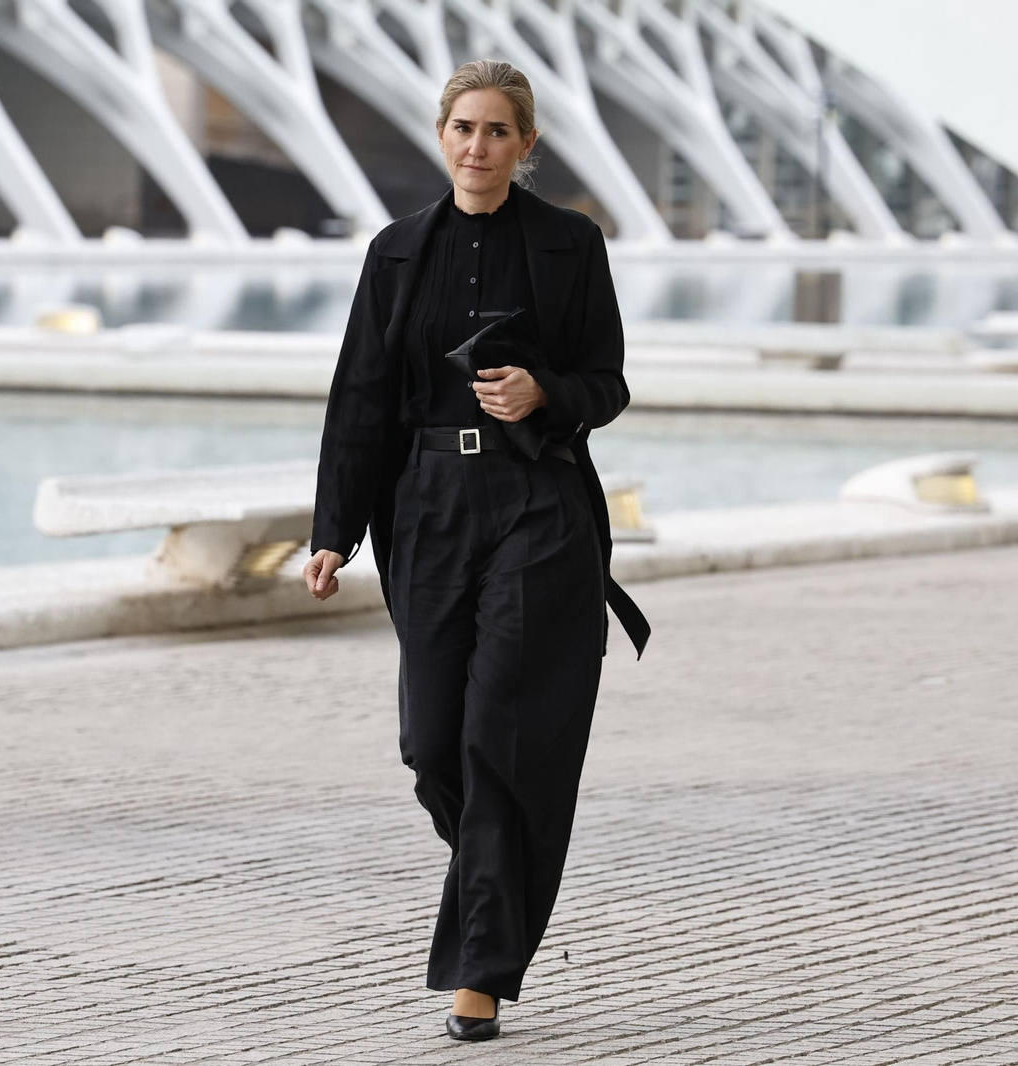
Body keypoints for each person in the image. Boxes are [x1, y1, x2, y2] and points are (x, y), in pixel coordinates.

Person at [303, 59, 650, 1042]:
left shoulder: (569, 245)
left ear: (525, 145)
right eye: (463, 127)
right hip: (426, 509)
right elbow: (360, 401)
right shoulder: (397, 252)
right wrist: (333, 530)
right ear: (441, 134)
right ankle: (508, 864)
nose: (477, 146)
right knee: (432, 743)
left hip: (536, 507)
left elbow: (607, 382)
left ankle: (479, 978)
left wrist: (544, 394)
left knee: (501, 733)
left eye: (498, 131)